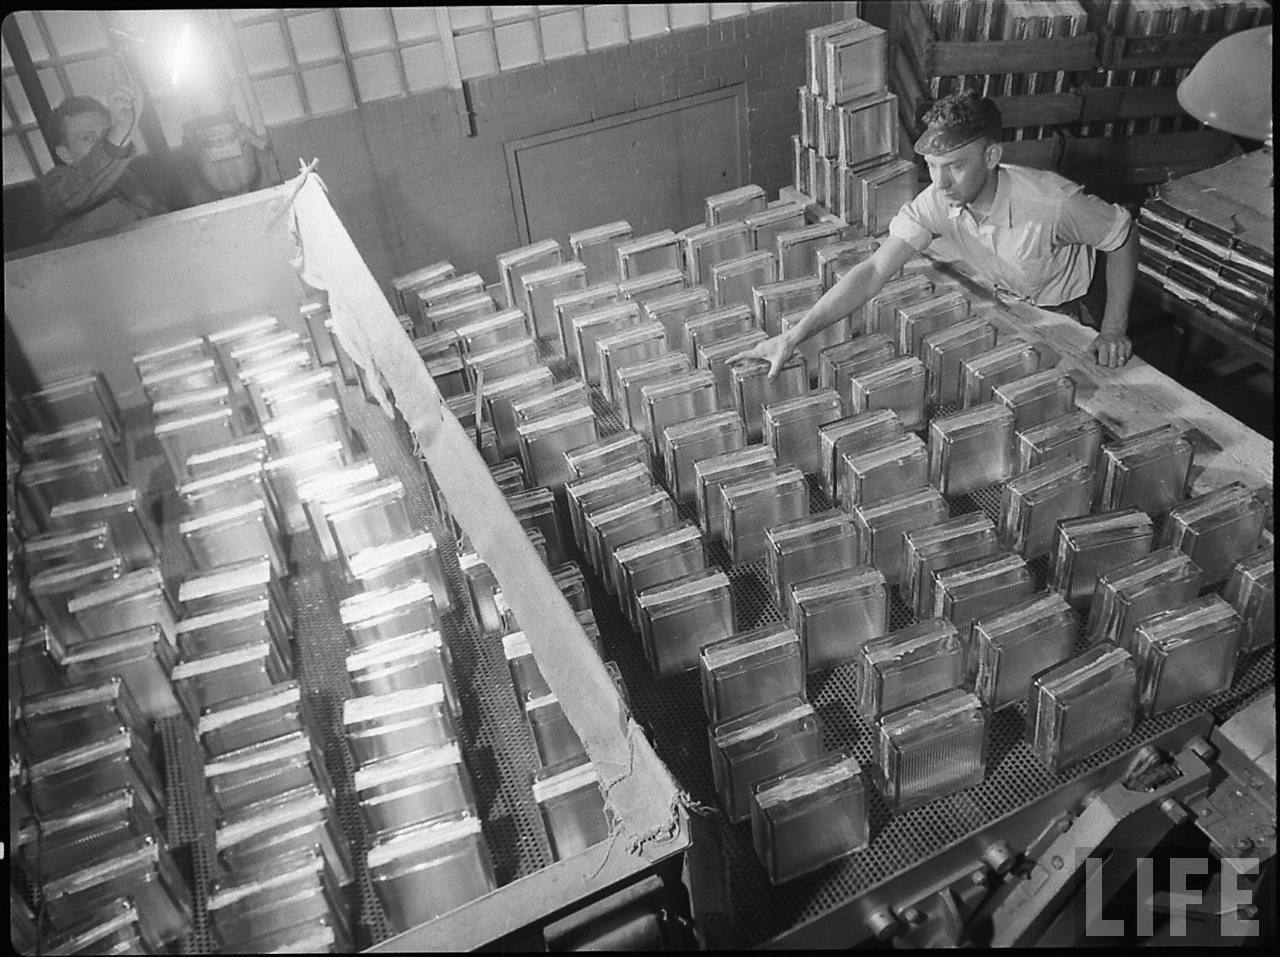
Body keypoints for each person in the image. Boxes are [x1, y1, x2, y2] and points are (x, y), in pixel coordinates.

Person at [740, 90, 1138, 377]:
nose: (941, 182)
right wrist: (794, 336)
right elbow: (874, 271)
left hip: (1075, 305)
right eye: (932, 166)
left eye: (955, 166)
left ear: (992, 156)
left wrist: (1113, 329)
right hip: (1016, 301)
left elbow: (1122, 235)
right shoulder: (937, 201)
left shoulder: (1054, 204)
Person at [40, 84, 165, 243]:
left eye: (106, 134)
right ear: (65, 154)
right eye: (88, 138)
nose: (102, 142)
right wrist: (120, 130)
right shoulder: (56, 181)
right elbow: (77, 189)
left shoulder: (127, 177)